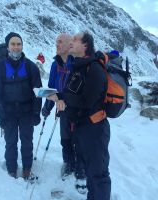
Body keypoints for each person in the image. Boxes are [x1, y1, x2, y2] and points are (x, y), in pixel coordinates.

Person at [48, 32, 111, 200]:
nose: (71, 42)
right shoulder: (79, 67)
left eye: (75, 39)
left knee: (98, 176)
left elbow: (87, 101)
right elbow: (73, 96)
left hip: (95, 130)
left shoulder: (94, 69)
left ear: (85, 46)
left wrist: (61, 98)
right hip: (82, 129)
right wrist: (60, 99)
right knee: (91, 175)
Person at [0, 32, 42, 179]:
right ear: (7, 47)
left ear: (22, 46)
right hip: (8, 112)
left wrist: (36, 112)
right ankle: (11, 169)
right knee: (11, 142)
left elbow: (38, 92)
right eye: (13, 44)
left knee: (27, 141)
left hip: (27, 111)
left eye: (19, 44)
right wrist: (2, 116)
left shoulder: (31, 66)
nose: (16, 47)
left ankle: (27, 168)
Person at [42, 33, 86, 181]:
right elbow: (52, 88)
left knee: (79, 140)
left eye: (60, 42)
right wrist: (47, 107)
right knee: (65, 139)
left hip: (78, 110)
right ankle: (68, 163)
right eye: (56, 42)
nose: (57, 45)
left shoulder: (77, 63)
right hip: (62, 110)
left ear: (69, 45)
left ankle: (80, 169)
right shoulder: (55, 65)